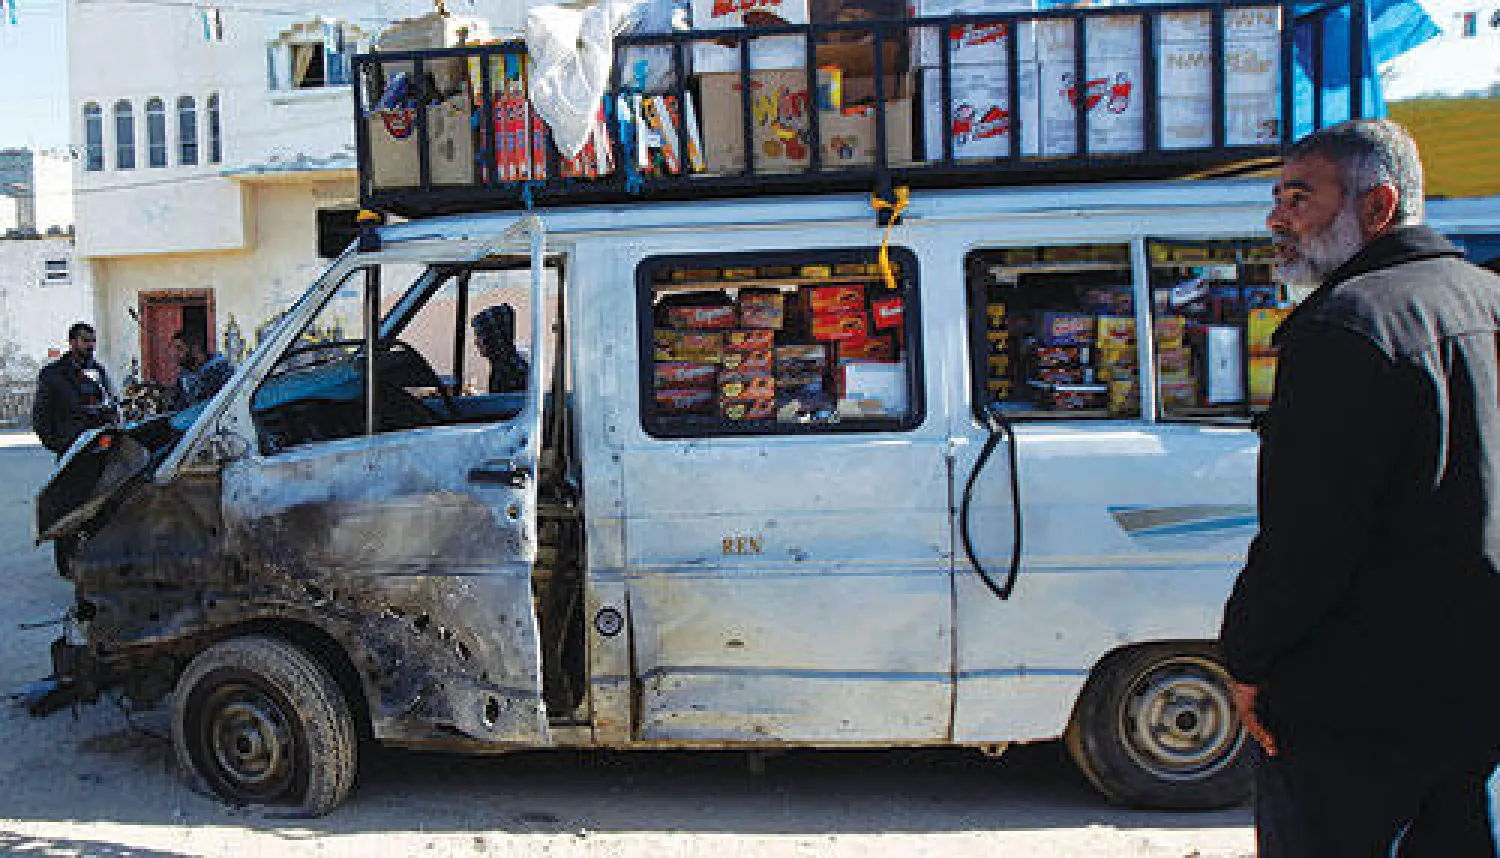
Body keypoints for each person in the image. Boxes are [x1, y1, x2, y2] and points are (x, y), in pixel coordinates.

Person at [1219, 119, 1500, 856]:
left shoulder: (1345, 327)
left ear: (1377, 207)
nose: (1276, 219)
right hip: (1475, 694)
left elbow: (1307, 541)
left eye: (1299, 198)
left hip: (1359, 711)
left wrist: (1246, 661)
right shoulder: (1485, 300)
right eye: (1277, 198)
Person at [32, 321, 117, 456]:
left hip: (99, 444)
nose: (90, 345)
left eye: (93, 341)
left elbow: (109, 400)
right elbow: (41, 415)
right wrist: (57, 443)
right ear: (72, 342)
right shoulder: (53, 374)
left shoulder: (98, 371)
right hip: (70, 446)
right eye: (85, 340)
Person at [170, 328, 234, 410]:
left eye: (180, 348)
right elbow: (178, 406)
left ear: (195, 348)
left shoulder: (221, 370)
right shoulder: (184, 377)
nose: (176, 354)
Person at [471, 304, 528, 394]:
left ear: (492, 337)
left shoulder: (510, 371)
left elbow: (501, 405)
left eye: (479, 335)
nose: (476, 342)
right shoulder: (504, 363)